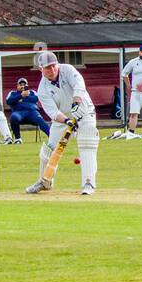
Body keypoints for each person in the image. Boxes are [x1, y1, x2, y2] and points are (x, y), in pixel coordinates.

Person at [27, 50, 98, 196]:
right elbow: (53, 113)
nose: (52, 70)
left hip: (84, 112)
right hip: (63, 118)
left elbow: (79, 84)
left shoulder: (67, 70)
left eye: (53, 66)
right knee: (48, 149)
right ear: (41, 69)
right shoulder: (42, 89)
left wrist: (76, 101)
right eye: (47, 68)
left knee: (87, 144)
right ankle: (45, 181)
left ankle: (88, 183)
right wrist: (67, 120)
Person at [5, 77, 49, 144]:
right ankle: (18, 139)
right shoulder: (12, 93)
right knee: (13, 117)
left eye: (24, 84)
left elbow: (35, 99)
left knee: (40, 119)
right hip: (18, 113)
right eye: (20, 85)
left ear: (27, 85)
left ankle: (51, 136)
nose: (22, 86)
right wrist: (20, 96)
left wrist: (26, 96)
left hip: (32, 112)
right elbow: (9, 101)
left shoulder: (32, 92)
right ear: (17, 86)